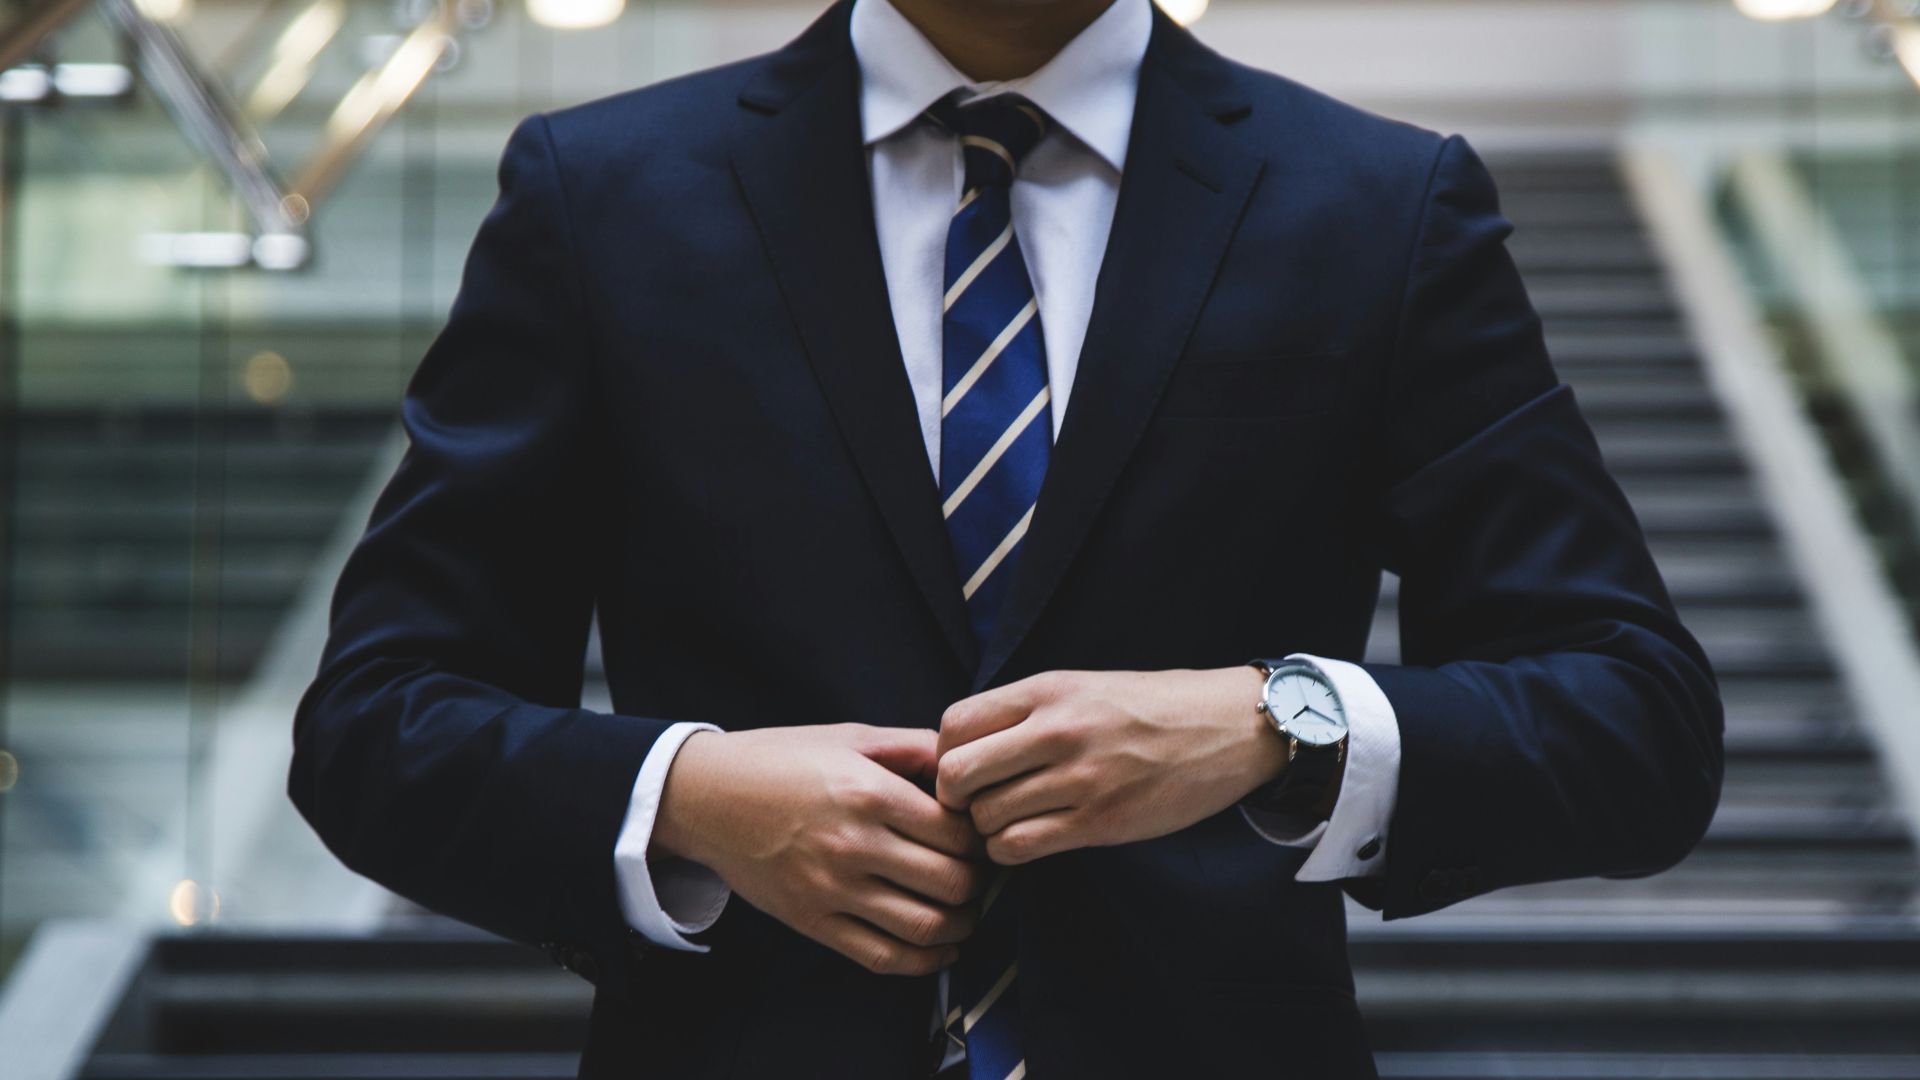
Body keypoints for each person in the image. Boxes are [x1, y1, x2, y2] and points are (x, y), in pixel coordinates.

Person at [289, 0, 1726, 1075]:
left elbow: (1636, 720)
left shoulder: (1378, 206)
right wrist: (691, 795)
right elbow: (373, 723)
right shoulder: (601, 197)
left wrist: (1280, 720)